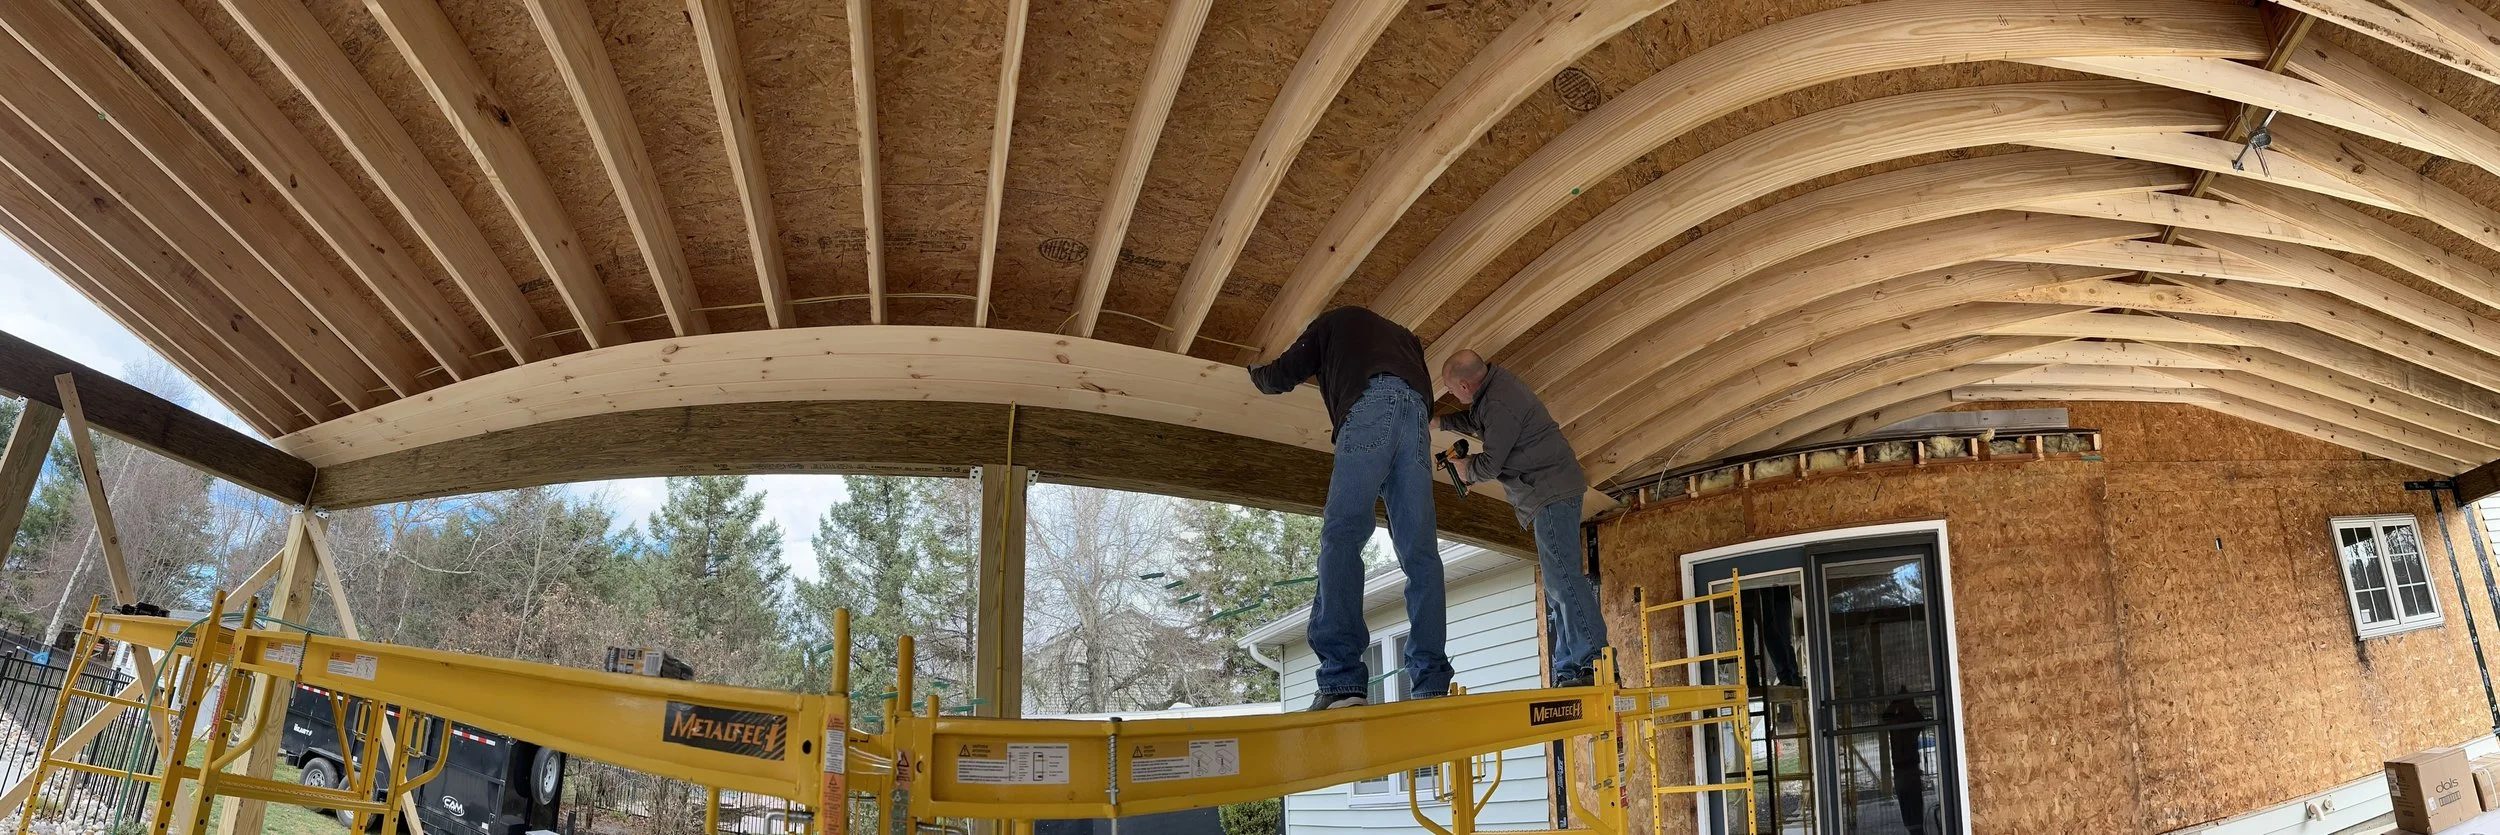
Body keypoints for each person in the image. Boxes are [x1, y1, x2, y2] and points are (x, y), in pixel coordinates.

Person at [1250, 306, 1454, 710]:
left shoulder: (1331, 321)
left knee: (1342, 536)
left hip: (1370, 406)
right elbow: (1425, 395)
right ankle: (1431, 682)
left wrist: (1253, 372)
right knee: (1421, 556)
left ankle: (1343, 680)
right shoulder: (1406, 336)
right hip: (1415, 418)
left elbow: (1283, 374)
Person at [1437, 349, 1609, 688]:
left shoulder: (1498, 403)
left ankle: (1593, 660)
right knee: (1558, 582)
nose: (1453, 396)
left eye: (1451, 390)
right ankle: (1573, 666)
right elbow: (1476, 421)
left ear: (1464, 384)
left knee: (1563, 578)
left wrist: (1466, 470)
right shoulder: (1494, 394)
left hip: (1549, 491)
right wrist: (1439, 422)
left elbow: (1491, 464)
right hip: (1549, 490)